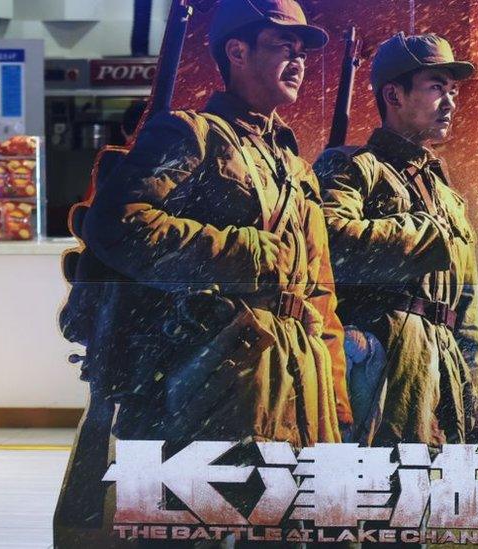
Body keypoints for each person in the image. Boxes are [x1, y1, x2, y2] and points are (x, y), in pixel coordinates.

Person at [82, 0, 351, 446]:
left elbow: (320, 290)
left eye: (303, 51)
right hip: (219, 373)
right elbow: (117, 224)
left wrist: (337, 400)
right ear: (237, 52)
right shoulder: (191, 134)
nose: (299, 60)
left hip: (304, 376)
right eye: (284, 46)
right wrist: (245, 252)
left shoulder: (296, 167)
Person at [314, 32, 478, 449]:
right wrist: (424, 236)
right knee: (373, 499)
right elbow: (328, 245)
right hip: (383, 363)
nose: (450, 102)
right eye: (436, 88)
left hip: (444, 372)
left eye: (452, 90)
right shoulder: (353, 167)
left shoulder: (449, 197)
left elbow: (465, 310)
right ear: (394, 95)